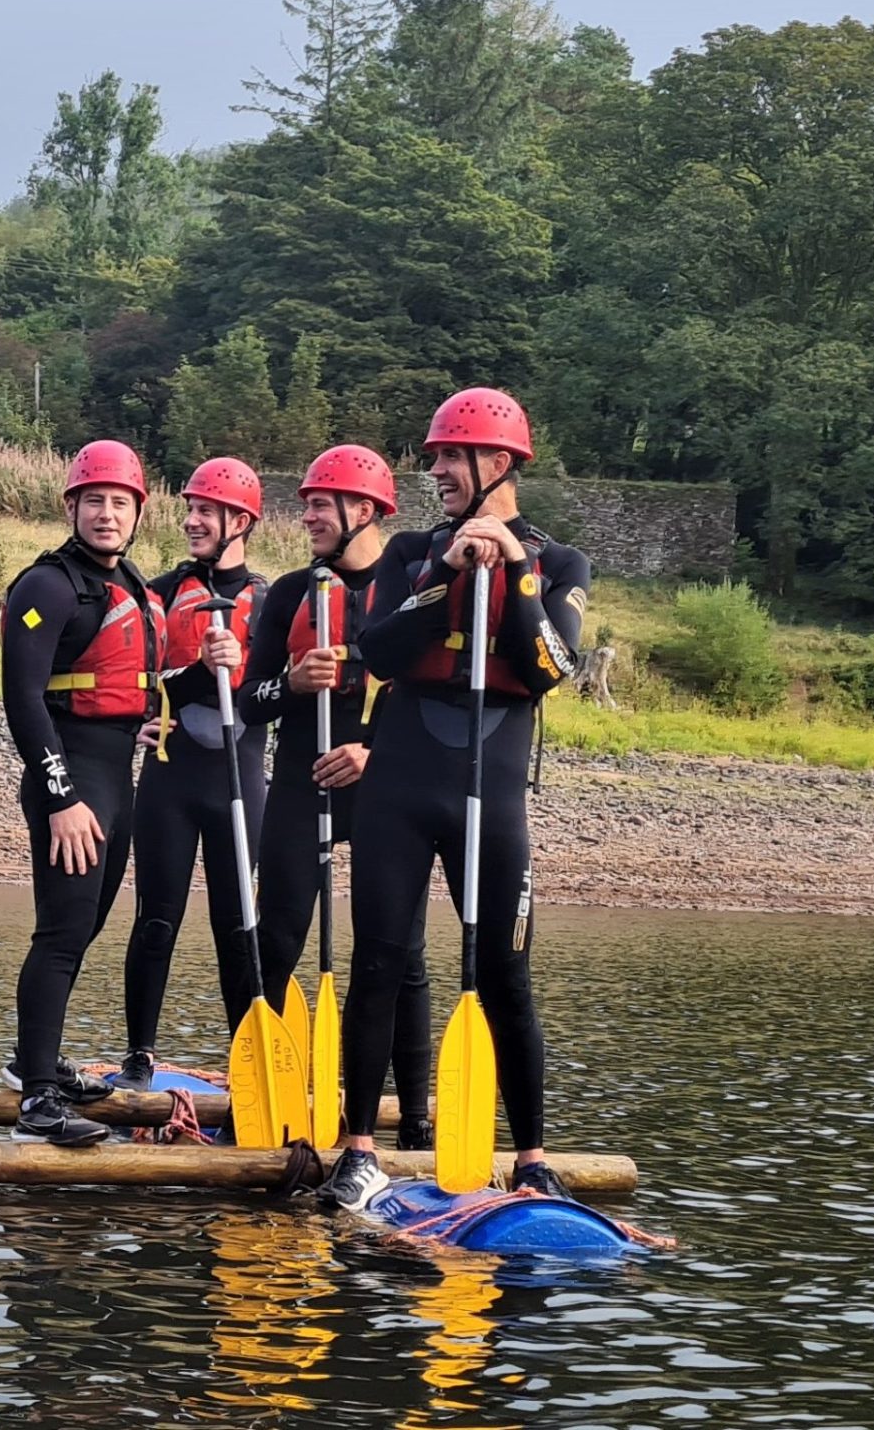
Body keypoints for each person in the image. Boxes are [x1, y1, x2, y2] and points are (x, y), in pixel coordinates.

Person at [325, 388, 588, 1208]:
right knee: (378, 963)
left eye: (448, 455)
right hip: (400, 785)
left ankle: (533, 1157)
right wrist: (444, 570)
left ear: (498, 464)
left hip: (493, 789)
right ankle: (359, 1149)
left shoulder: (561, 563)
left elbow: (550, 667)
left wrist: (512, 571)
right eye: (434, 455)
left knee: (508, 976)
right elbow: (382, 648)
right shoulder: (410, 550)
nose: (433, 469)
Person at [241, 444, 434, 1151]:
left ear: (367, 511)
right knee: (277, 938)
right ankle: (258, 1092)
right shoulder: (291, 592)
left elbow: (429, 692)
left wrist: (375, 751)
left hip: (389, 787)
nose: (308, 516)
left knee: (399, 956)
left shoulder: (412, 584)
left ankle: (413, 1118)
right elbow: (250, 701)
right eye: (308, 504)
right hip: (301, 779)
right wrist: (291, 684)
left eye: (321, 504)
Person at [0, 440, 164, 1146]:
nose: (106, 513)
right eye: (93, 501)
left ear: (136, 514)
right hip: (70, 779)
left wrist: (146, 718)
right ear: (71, 507)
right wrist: (61, 796)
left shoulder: (130, 582)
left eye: (119, 503)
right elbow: (23, 699)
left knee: (87, 925)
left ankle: (35, 1062)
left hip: (114, 773)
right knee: (62, 932)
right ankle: (37, 1097)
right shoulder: (48, 586)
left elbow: (124, 676)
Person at [116, 457, 268, 1088]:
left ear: (240, 522)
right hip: (170, 781)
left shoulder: (270, 599)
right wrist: (146, 715)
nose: (192, 521)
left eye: (206, 511)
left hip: (240, 781)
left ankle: (250, 1060)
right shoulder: (158, 593)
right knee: (156, 921)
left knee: (239, 925)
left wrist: (243, 670)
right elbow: (132, 681)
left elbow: (276, 692)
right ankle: (140, 1054)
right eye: (191, 509)